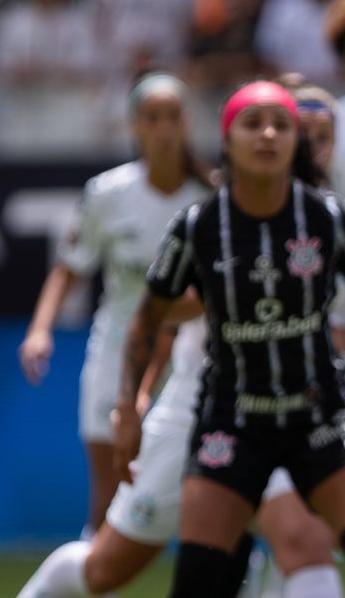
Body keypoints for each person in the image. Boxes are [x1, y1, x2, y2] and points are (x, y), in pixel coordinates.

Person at [18, 84, 345, 598]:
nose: (270, 135)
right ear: (227, 138)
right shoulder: (200, 224)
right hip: (219, 415)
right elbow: (152, 319)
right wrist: (131, 404)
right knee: (117, 568)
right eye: (254, 123)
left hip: (316, 414)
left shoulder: (333, 220)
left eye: (285, 127)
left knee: (338, 549)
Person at [18, 74, 213, 536]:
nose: (163, 128)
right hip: (117, 351)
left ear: (186, 123)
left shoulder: (211, 197)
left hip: (191, 356)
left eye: (172, 117)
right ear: (135, 126)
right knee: (108, 497)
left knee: (206, 495)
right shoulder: (107, 193)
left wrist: (176, 313)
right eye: (152, 118)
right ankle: (94, 570)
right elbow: (69, 267)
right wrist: (40, 330)